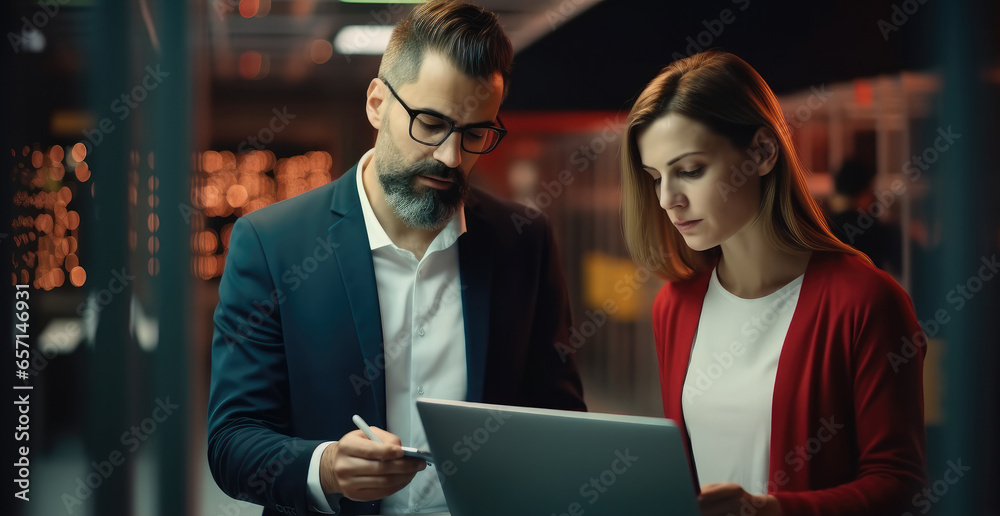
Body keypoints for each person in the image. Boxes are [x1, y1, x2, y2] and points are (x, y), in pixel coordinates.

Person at [207, 2, 586, 515]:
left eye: (475, 134)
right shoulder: (272, 244)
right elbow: (232, 442)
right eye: (430, 123)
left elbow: (559, 421)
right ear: (377, 103)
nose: (451, 157)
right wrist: (328, 467)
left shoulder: (524, 242)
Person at [619, 51, 926, 516]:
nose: (667, 200)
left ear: (762, 152)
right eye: (655, 177)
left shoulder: (866, 301)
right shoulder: (675, 306)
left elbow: (898, 484)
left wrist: (773, 511)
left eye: (690, 170)